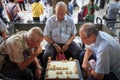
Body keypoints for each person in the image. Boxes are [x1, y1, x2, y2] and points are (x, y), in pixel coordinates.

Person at [43, 1, 82, 66]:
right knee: (47, 55)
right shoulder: (50, 21)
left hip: (67, 43)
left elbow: (73, 34)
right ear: (55, 11)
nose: (60, 16)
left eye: (62, 14)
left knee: (78, 52)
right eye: (58, 14)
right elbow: (46, 36)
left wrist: (67, 43)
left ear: (66, 12)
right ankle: (46, 72)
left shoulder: (70, 20)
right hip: (53, 43)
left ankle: (76, 69)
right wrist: (54, 44)